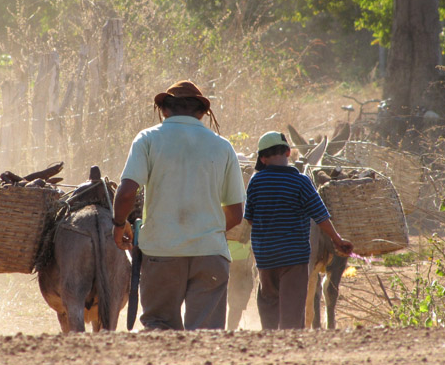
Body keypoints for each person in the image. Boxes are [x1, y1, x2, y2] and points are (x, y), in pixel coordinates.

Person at [111, 80, 246, 330]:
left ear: (164, 109)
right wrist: (205, 230)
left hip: (161, 254)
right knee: (206, 336)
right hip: (210, 255)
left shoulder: (147, 139)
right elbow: (237, 213)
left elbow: (127, 192)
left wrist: (119, 226)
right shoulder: (223, 146)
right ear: (202, 112)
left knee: (159, 327)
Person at [243, 131, 352, 330]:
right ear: (288, 152)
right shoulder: (301, 182)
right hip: (294, 258)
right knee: (292, 309)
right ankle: (291, 350)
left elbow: (249, 218)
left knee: (268, 301)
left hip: (265, 258)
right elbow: (320, 216)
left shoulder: (255, 182)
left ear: (263, 158)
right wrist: (337, 240)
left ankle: (268, 342)